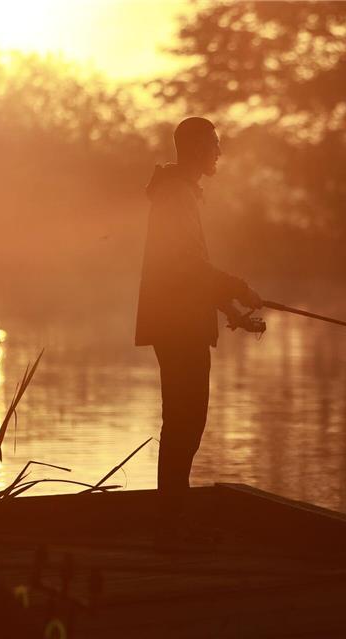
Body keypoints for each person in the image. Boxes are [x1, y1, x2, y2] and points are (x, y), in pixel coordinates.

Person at [135, 117, 263, 519]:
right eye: (213, 145)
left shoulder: (181, 192)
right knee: (184, 421)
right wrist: (238, 287)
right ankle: (172, 515)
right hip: (178, 325)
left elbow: (190, 270)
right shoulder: (177, 195)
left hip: (181, 320)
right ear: (195, 150)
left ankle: (173, 510)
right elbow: (187, 266)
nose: (219, 152)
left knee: (185, 420)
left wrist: (232, 311)